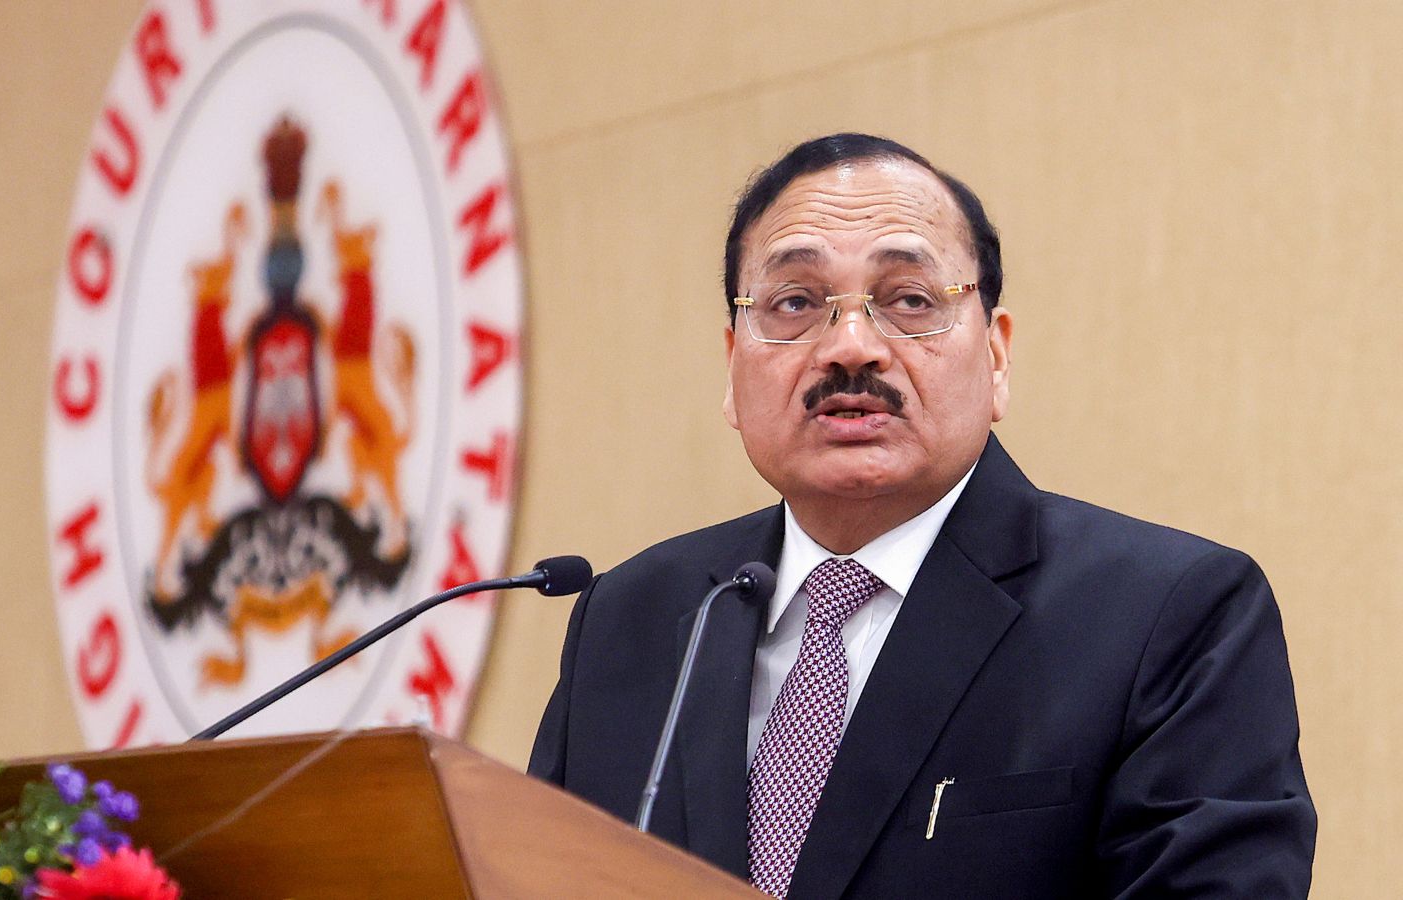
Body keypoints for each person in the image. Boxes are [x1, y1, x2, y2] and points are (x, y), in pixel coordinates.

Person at [528, 133, 1316, 898]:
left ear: (997, 358)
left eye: (908, 300)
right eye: (795, 302)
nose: (849, 347)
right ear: (734, 365)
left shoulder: (1168, 614)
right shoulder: (629, 621)